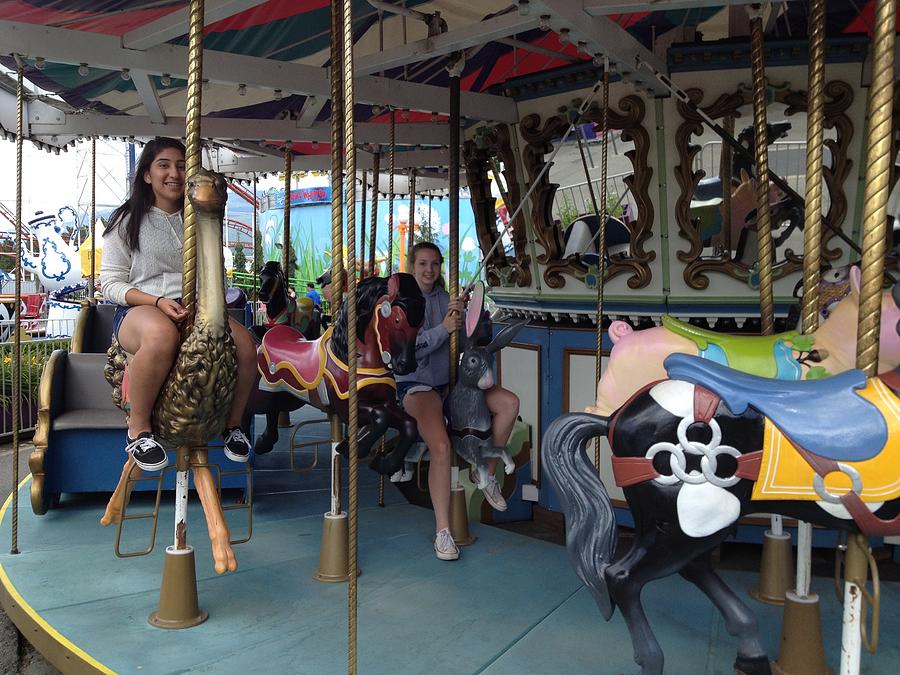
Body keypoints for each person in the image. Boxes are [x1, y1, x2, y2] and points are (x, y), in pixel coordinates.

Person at [100, 137, 259, 472]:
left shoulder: (199, 222)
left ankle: (233, 426)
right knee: (161, 337)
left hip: (194, 308)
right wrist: (157, 300)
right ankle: (138, 430)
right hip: (141, 308)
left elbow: (214, 276)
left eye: (182, 165)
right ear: (147, 174)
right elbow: (111, 283)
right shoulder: (126, 221)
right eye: (164, 165)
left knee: (246, 346)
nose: (174, 173)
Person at [396, 242, 520, 561]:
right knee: (440, 448)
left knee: (508, 403)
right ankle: (442, 531)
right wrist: (443, 328)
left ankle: (486, 473)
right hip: (418, 385)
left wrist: (464, 319)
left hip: (451, 383)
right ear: (412, 266)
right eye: (423, 263)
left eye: (435, 264)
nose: (429, 270)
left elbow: (463, 345)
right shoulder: (403, 304)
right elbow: (406, 351)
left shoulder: (445, 300)